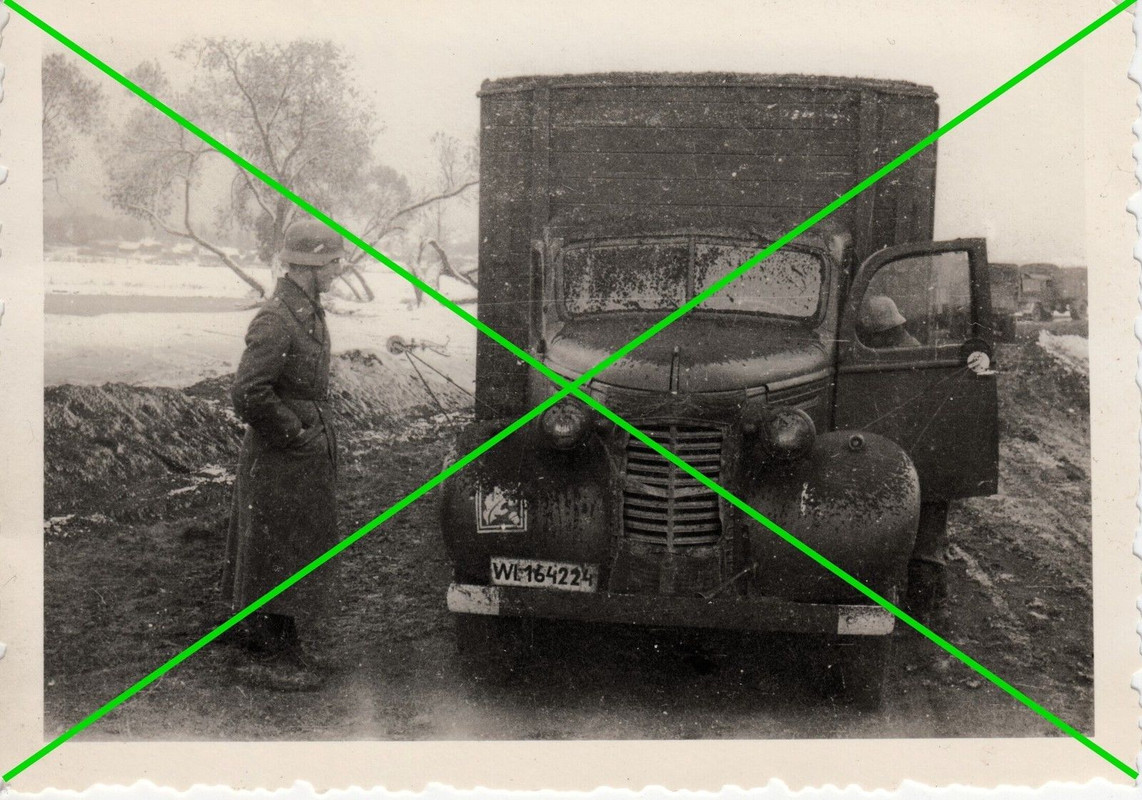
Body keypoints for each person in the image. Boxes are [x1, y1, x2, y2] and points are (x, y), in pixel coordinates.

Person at [221, 218, 344, 691]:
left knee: (291, 551)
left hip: (298, 457)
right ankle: (273, 656)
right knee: (276, 553)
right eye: (332, 262)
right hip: (280, 457)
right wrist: (295, 431)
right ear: (310, 265)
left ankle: (283, 647)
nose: (337, 270)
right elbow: (248, 393)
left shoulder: (305, 311)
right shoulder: (277, 318)